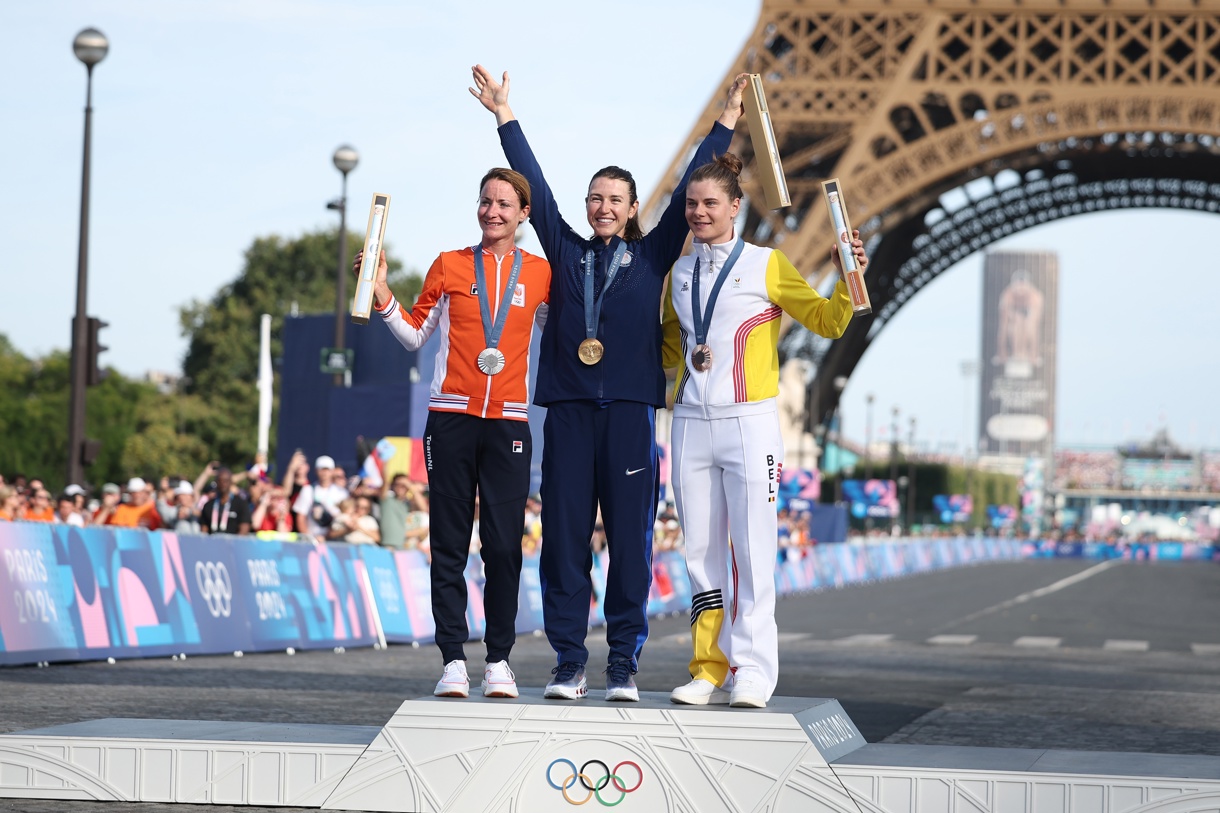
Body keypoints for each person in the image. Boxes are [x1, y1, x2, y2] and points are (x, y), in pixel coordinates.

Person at [470, 65, 746, 702]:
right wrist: (505, 116)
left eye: (615, 200)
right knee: (564, 544)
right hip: (567, 412)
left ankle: (622, 662)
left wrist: (726, 122)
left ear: (631, 210)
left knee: (629, 543)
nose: (602, 207)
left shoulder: (651, 257)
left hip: (628, 415)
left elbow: (686, 192)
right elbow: (532, 186)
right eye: (595, 198)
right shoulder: (564, 251)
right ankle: (569, 661)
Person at [660, 152, 869, 708]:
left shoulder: (767, 263)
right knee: (700, 553)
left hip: (749, 422)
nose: (699, 212)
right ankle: (708, 667)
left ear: (735, 206)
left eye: (709, 203)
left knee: (752, 549)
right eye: (690, 204)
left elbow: (826, 320)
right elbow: (665, 347)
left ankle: (753, 669)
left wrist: (849, 280)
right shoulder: (677, 273)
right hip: (689, 423)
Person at [357, 166, 550, 700]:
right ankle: (451, 661)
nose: (493, 211)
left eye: (505, 204)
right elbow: (415, 335)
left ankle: (500, 660)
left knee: (504, 548)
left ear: (523, 213)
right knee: (447, 544)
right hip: (450, 418)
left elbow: (561, 339)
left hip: (510, 419)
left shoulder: (539, 273)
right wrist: (379, 290)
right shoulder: (449, 264)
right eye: (486, 201)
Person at [293, 455, 348, 541]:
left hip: (335, 540)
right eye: (322, 469)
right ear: (316, 471)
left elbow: (346, 517)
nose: (324, 473)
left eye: (327, 469)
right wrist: (310, 538)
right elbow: (300, 517)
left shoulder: (342, 493)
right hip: (312, 540)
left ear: (332, 471)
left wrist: (328, 536)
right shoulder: (307, 490)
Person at [200, 467, 252, 536]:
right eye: (220, 481)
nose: (222, 484)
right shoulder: (208, 505)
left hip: (233, 545)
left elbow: (244, 530)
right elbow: (204, 532)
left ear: (231, 482)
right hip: (212, 544)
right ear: (216, 482)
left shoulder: (241, 504)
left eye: (225, 481)